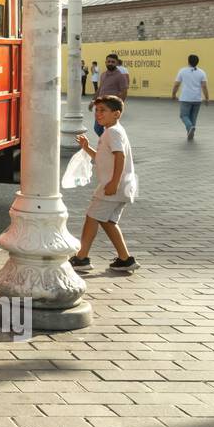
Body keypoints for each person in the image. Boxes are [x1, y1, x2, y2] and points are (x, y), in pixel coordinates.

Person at [69, 95, 138, 274]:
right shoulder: (113, 131)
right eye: (97, 111)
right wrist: (87, 147)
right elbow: (101, 157)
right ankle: (125, 259)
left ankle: (81, 258)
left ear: (116, 114)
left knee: (92, 217)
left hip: (113, 186)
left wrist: (114, 183)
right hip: (122, 185)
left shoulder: (112, 132)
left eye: (103, 111)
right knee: (107, 221)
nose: (98, 114)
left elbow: (119, 156)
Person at [88, 53, 128, 137]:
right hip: (101, 106)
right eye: (108, 61)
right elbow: (99, 89)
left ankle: (109, 144)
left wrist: (120, 106)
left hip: (111, 107)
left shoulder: (120, 76)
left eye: (113, 62)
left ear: (117, 63)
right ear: (105, 62)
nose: (110, 63)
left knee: (109, 128)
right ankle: (108, 143)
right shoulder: (103, 75)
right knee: (97, 128)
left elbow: (124, 91)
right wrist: (93, 101)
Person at [172, 54, 209, 140]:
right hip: (197, 99)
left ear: (188, 61)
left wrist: (173, 94)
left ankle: (190, 127)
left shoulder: (182, 71)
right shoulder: (202, 72)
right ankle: (190, 133)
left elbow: (177, 85)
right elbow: (204, 87)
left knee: (184, 116)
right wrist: (207, 98)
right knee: (193, 117)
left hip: (185, 98)